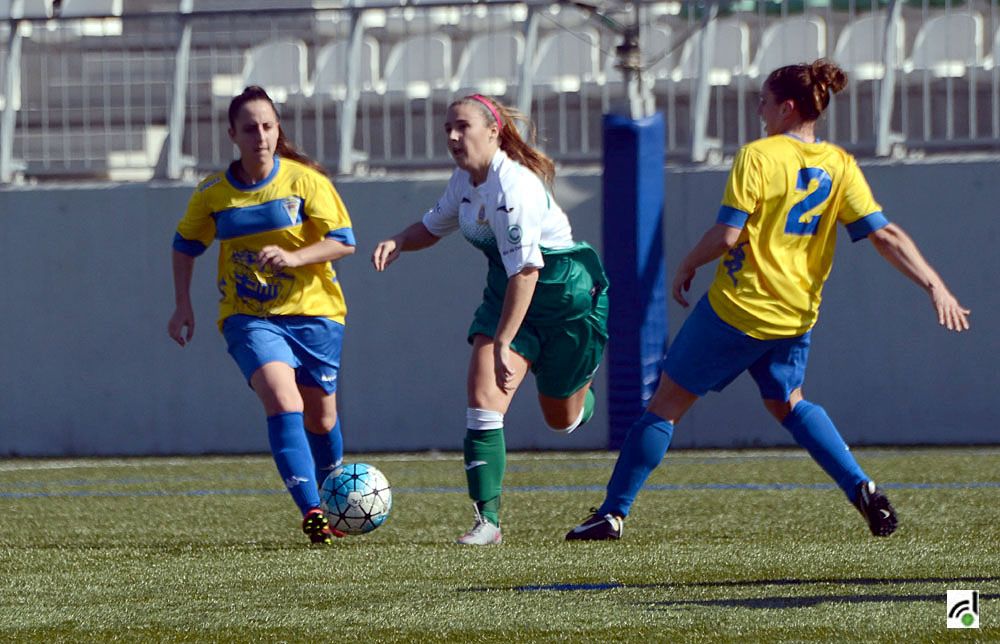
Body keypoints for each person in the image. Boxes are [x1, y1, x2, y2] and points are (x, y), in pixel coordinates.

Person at [566, 60, 971, 541]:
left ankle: (612, 513)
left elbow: (728, 234)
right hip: (795, 316)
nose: (758, 109)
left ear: (786, 107)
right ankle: (862, 486)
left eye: (763, 100)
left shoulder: (759, 156)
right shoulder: (839, 164)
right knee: (788, 402)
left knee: (664, 407)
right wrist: (934, 285)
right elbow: (885, 235)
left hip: (739, 309)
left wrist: (687, 264)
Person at [372, 94, 609, 545]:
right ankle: (488, 523)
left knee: (562, 421)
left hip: (566, 300)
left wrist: (504, 342)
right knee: (483, 398)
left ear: (493, 132)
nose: (454, 137)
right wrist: (400, 239)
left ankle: (581, 391)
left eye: (463, 126)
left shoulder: (513, 188)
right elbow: (435, 224)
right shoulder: (465, 180)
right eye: (448, 129)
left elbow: (529, 270)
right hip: (508, 295)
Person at [168, 86, 357, 545]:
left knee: (322, 420)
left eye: (268, 126)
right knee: (282, 399)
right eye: (250, 128)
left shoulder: (305, 181)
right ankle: (312, 511)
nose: (260, 136)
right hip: (248, 317)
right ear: (232, 134)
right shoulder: (213, 192)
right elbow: (185, 246)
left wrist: (295, 258)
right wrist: (183, 304)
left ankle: (334, 497)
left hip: (315, 313)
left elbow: (344, 241)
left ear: (278, 130)